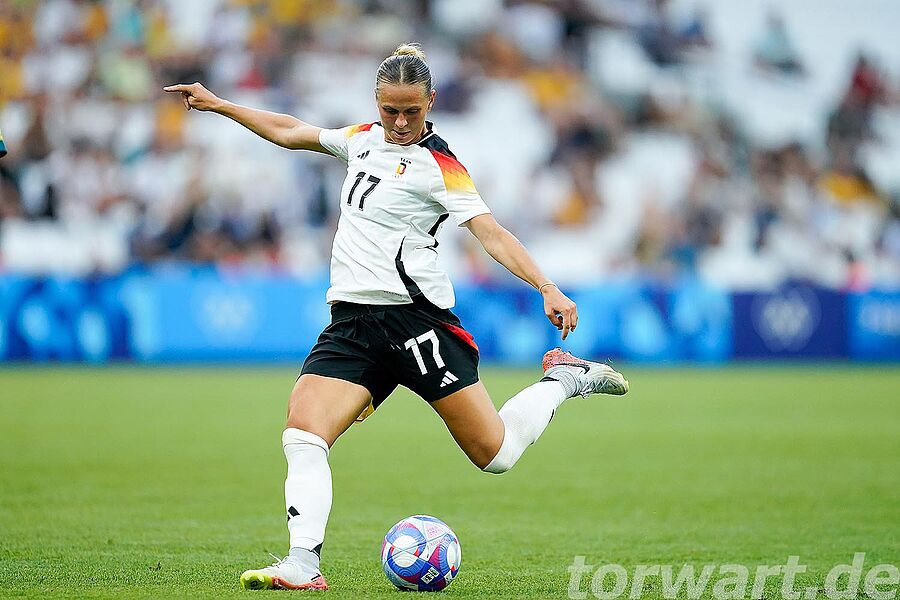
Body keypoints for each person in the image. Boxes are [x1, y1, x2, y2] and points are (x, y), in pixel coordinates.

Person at [164, 43, 629, 592]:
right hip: (353, 325)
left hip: (417, 323)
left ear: (431, 102)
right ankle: (302, 563)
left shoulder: (441, 166)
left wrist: (546, 286)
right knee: (303, 432)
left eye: (412, 111)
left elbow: (491, 234)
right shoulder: (362, 138)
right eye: (391, 110)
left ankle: (564, 380)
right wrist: (221, 105)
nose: (401, 123)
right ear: (376, 103)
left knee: (497, 454)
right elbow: (291, 131)